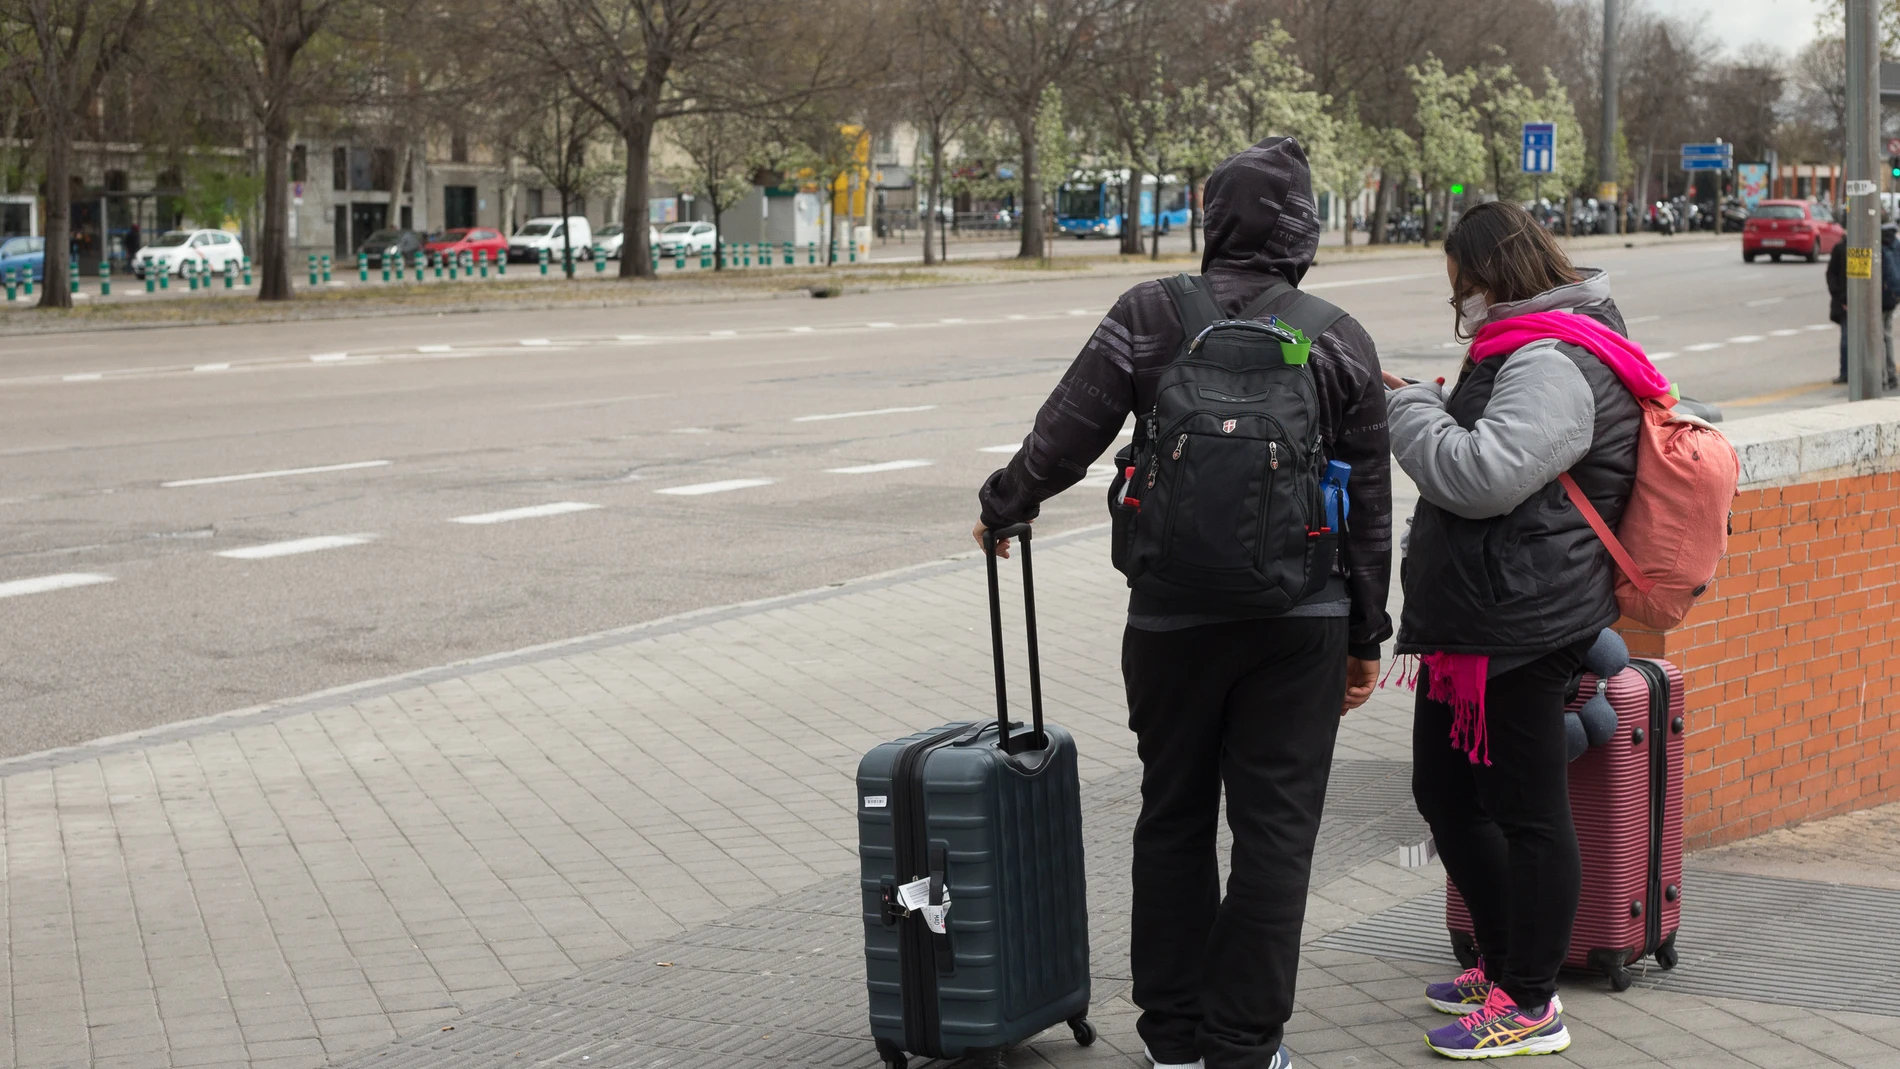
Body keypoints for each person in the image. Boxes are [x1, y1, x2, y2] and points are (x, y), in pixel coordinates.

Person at [972, 136, 1393, 1069]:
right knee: (1275, 833)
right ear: (1302, 230)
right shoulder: (1338, 335)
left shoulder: (1148, 313)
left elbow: (1065, 431)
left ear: (1216, 222)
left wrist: (1006, 505)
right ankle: (1245, 1047)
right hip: (1299, 625)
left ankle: (1172, 1041)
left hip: (1169, 618)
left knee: (1172, 815)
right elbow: (1368, 505)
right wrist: (1368, 631)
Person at [1383, 200, 1663, 1059]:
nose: (1457, 301)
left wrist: (1410, 414)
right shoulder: (1527, 343)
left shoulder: (1551, 356)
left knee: (1531, 814)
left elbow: (1484, 474)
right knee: (1447, 792)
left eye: (1458, 285)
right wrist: (1436, 400)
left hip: (1526, 621)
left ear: (1487, 276)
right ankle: (1506, 964)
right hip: (1482, 618)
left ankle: (1533, 1002)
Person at [1828, 220, 1900, 389]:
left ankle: (1878, 378)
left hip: (1877, 299)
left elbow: (1856, 277)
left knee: (1875, 336)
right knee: (1885, 336)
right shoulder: (1893, 243)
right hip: (1892, 298)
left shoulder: (1868, 247)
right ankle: (1890, 375)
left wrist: (1847, 300)